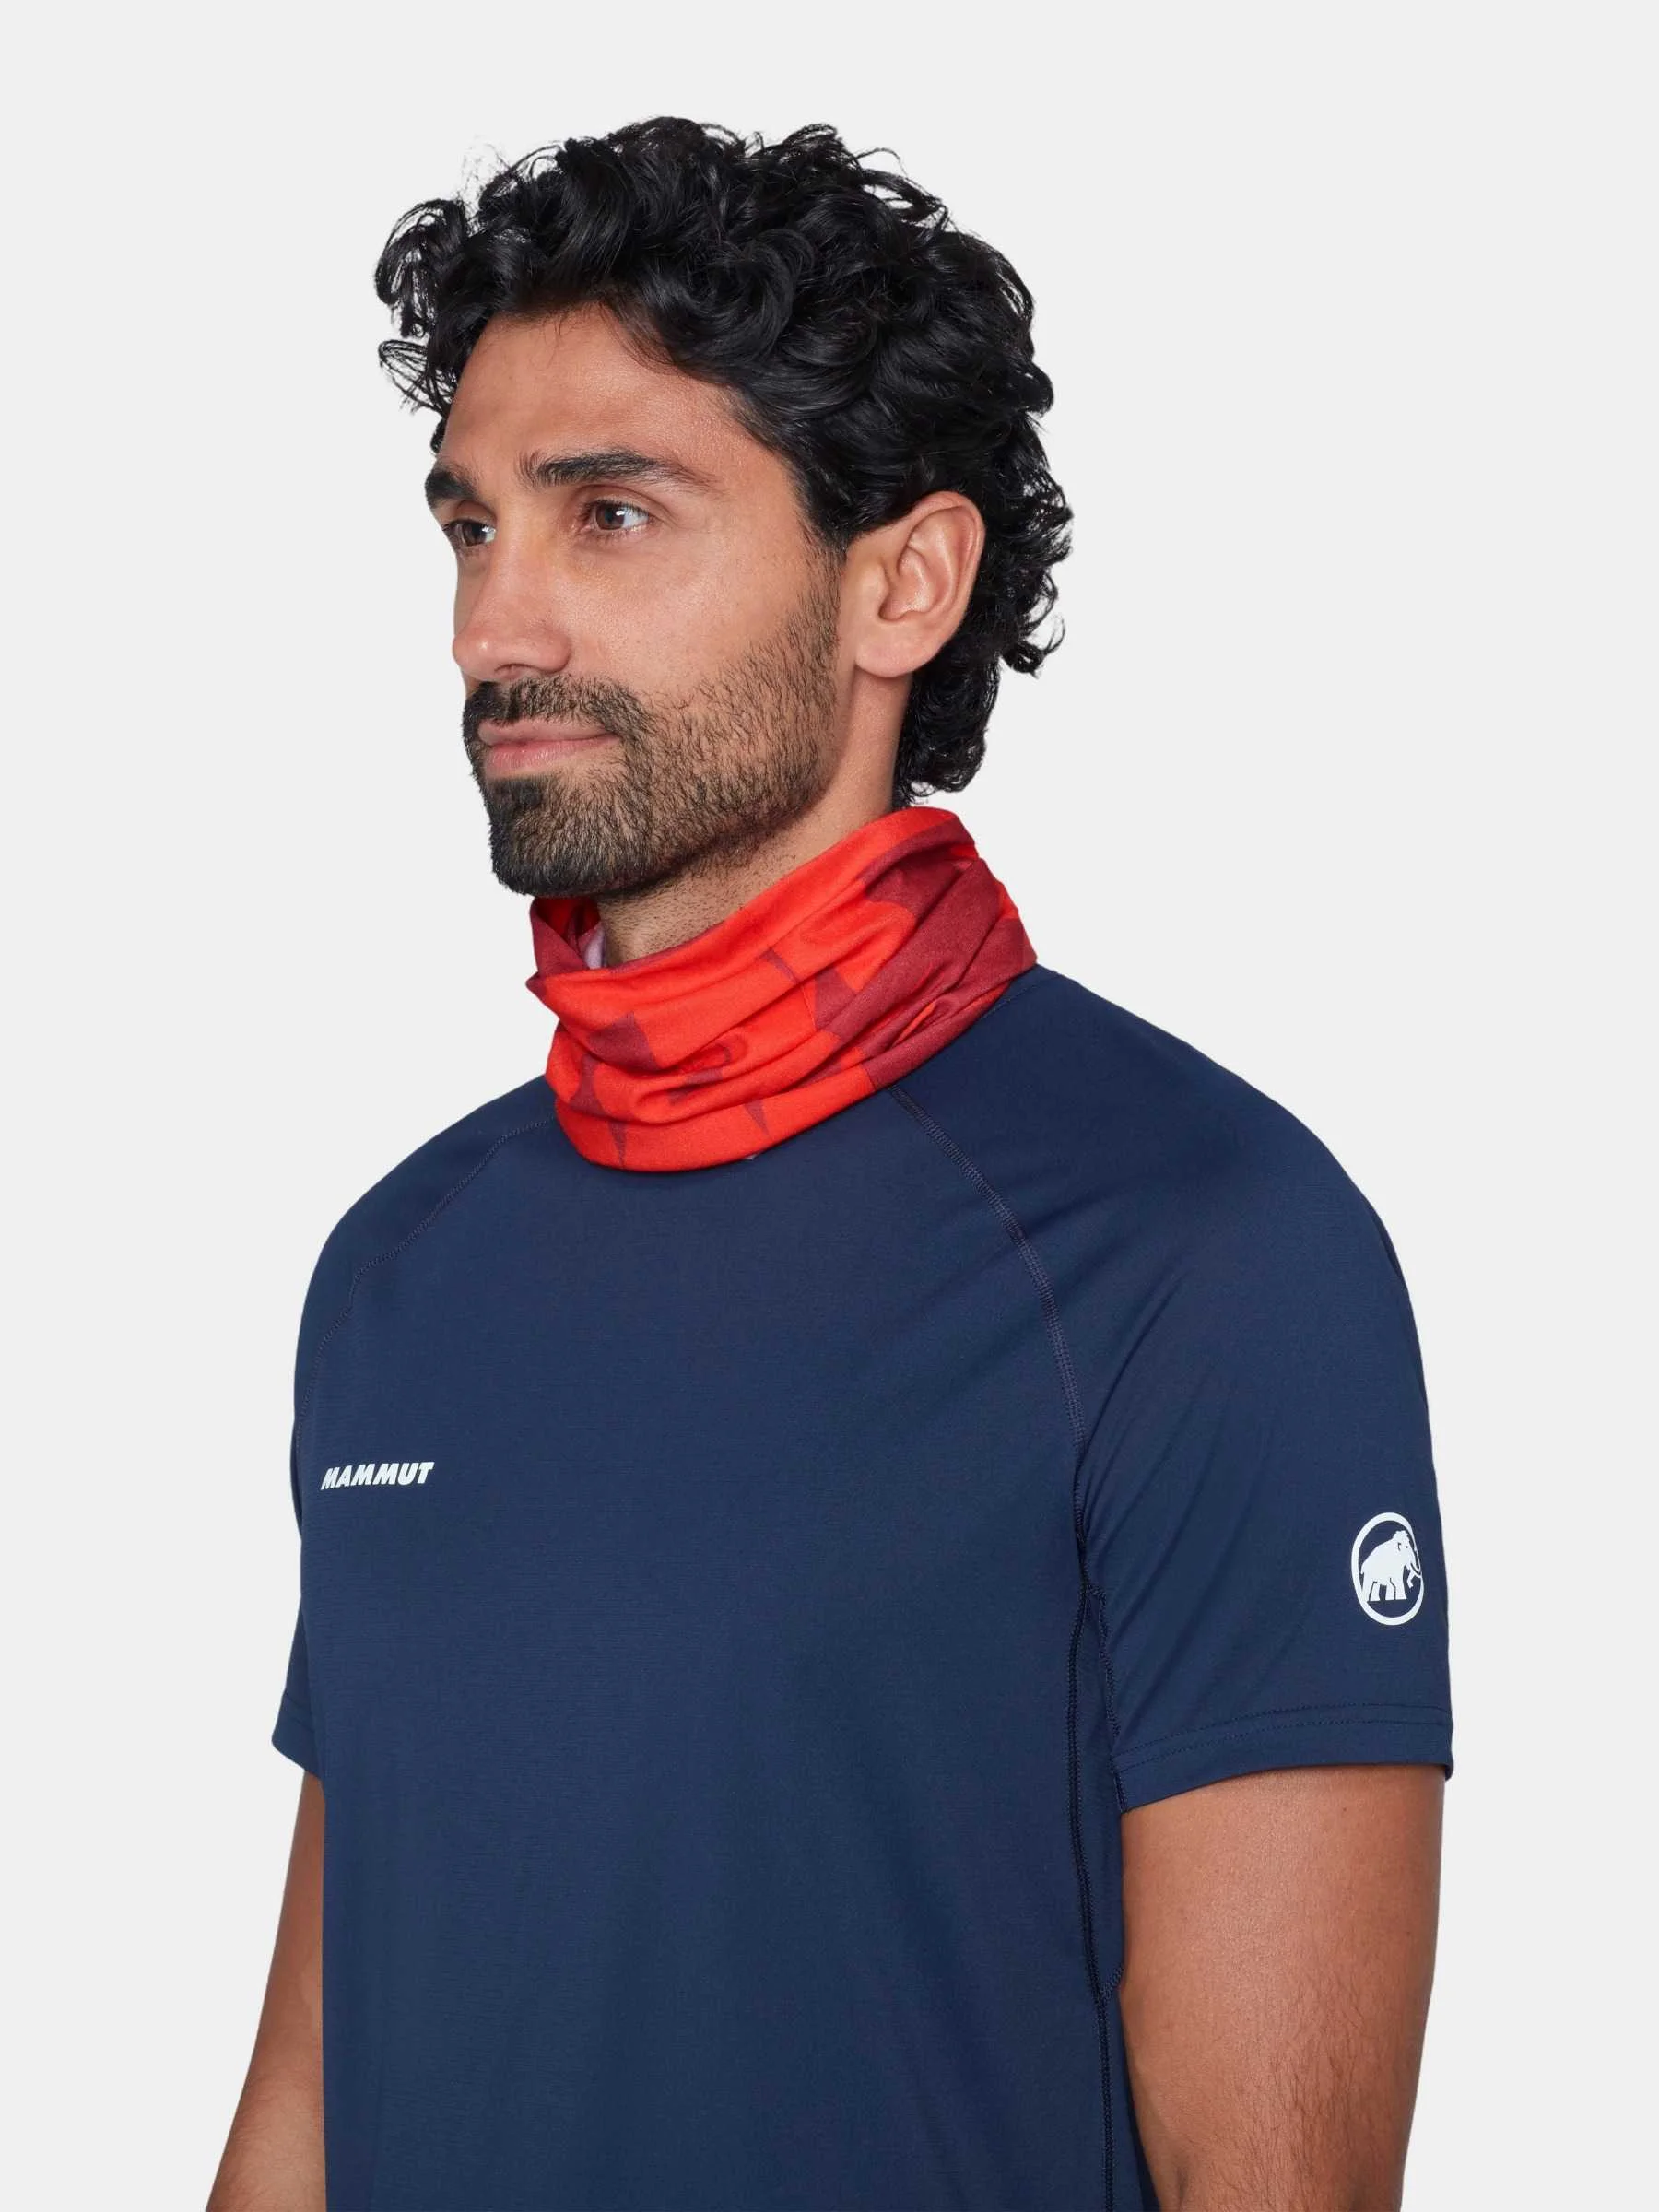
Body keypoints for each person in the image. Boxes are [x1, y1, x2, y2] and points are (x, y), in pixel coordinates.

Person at [208, 118, 1453, 2212]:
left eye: (610, 515)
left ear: (903, 583)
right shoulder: (402, 1269)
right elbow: (315, 2098)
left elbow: (1281, 2183)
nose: (495, 626)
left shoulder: (1202, 1246)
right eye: (471, 526)